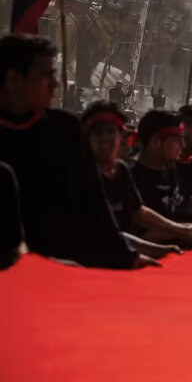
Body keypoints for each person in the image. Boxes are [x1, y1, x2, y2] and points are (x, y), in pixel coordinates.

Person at [0, 34, 143, 269]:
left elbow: (94, 203)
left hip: (70, 270)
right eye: (47, 75)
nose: (55, 84)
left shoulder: (64, 129)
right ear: (13, 79)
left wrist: (127, 257)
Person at [83, 102, 192, 256]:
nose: (106, 138)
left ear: (121, 136)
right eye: (99, 132)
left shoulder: (122, 171)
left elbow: (138, 212)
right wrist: (161, 248)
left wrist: (181, 229)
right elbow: (106, 236)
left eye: (111, 131)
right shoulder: (82, 175)